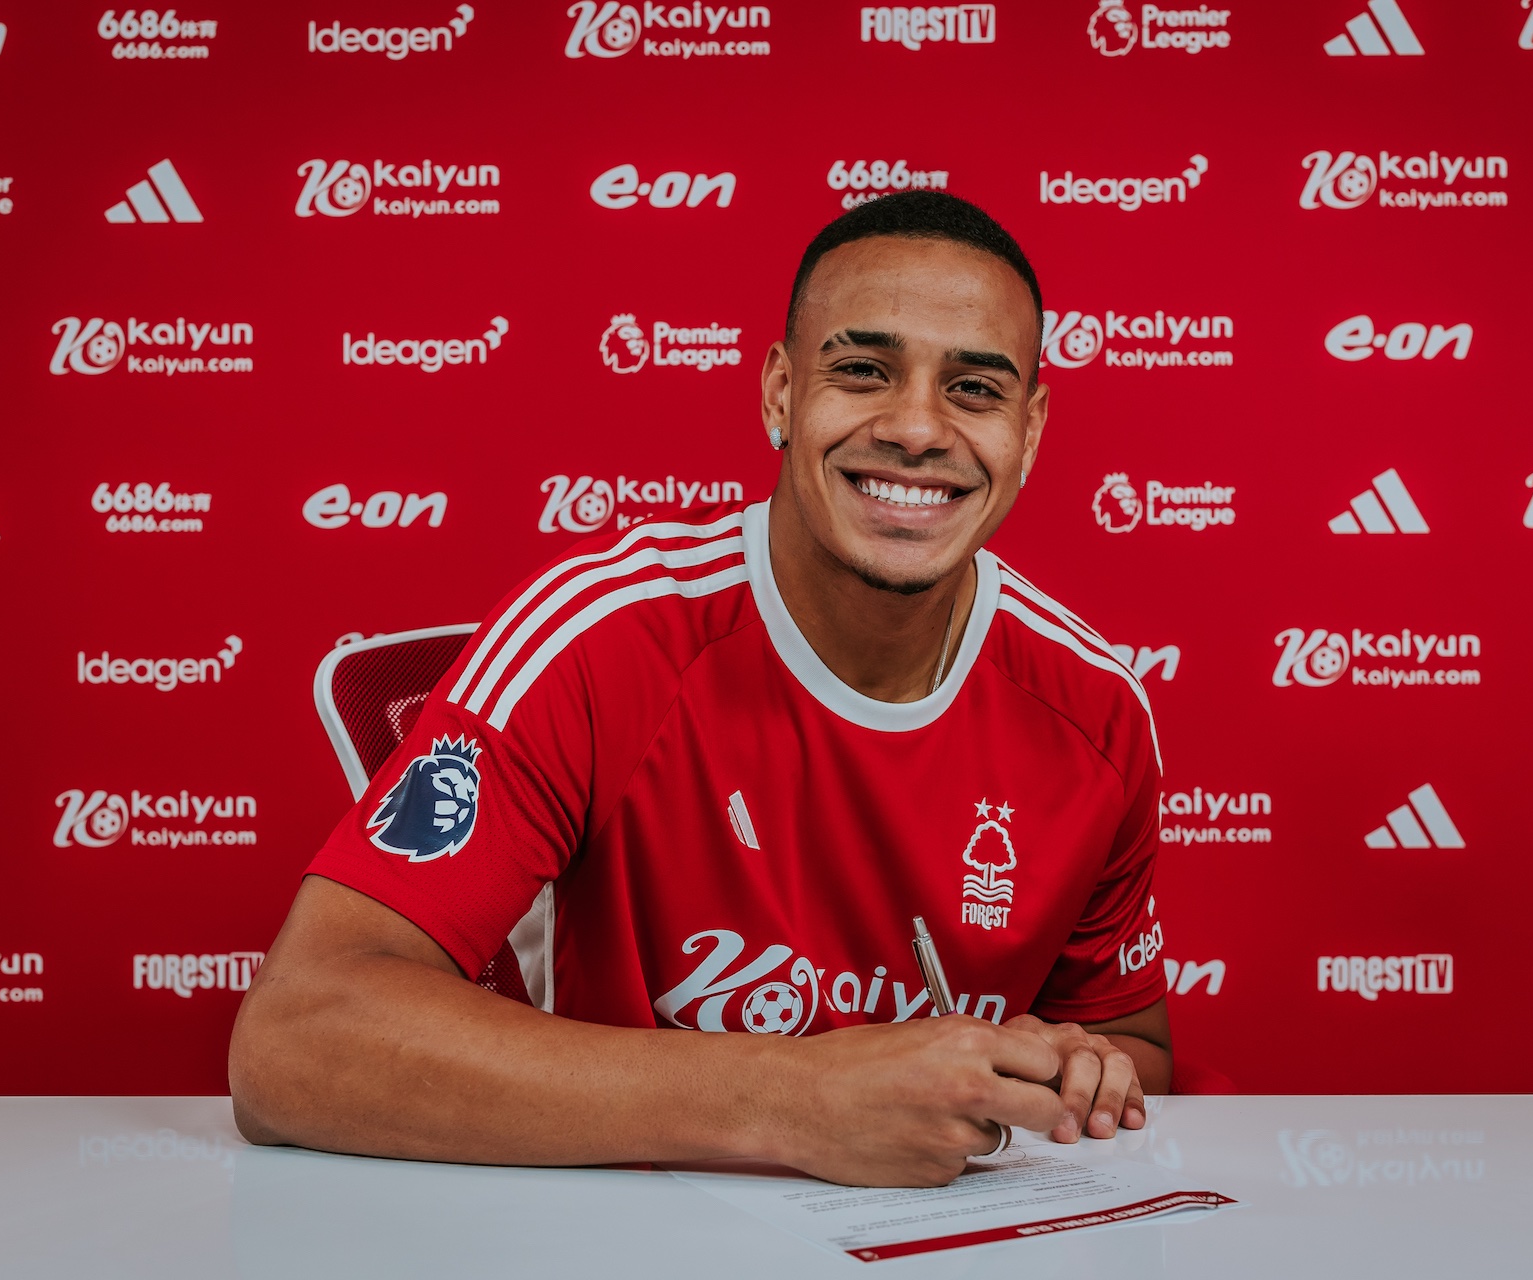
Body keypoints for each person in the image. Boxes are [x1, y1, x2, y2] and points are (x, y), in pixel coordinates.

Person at [229, 192, 1171, 1189]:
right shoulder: (598, 637)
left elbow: (1130, 1044)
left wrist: (1078, 1072)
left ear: (1029, 430)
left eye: (974, 389)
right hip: (623, 1234)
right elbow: (293, 1039)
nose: (915, 427)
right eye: (861, 371)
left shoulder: (1099, 708)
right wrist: (799, 1098)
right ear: (778, 392)